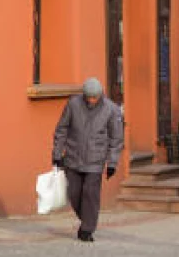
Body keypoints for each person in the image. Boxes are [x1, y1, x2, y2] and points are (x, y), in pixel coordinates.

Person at [52, 78, 125, 242]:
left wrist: (112, 163)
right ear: (84, 95)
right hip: (72, 157)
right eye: (89, 97)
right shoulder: (73, 104)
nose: (92, 100)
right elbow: (61, 129)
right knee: (74, 194)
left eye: (95, 97)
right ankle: (87, 220)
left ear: (100, 95)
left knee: (90, 195)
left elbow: (116, 139)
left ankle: (87, 229)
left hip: (95, 160)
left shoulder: (111, 109)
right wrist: (57, 154)